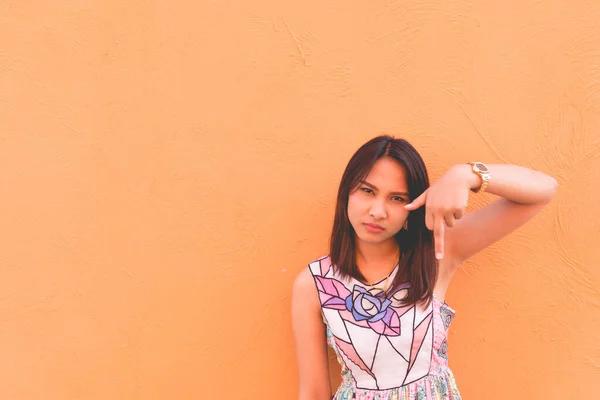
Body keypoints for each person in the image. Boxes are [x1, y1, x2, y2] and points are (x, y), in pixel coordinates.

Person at [291, 135, 558, 400]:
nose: (378, 211)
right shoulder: (314, 284)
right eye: (367, 190)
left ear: (413, 205)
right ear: (346, 192)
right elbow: (313, 393)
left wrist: (466, 175)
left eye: (396, 198)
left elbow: (543, 190)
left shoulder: (437, 252)